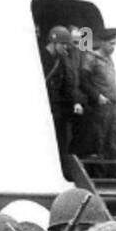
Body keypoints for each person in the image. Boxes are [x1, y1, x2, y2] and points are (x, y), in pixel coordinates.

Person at [80, 28, 116, 170]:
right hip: (101, 104)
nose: (113, 47)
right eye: (110, 44)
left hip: (114, 104)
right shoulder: (91, 57)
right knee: (99, 139)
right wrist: (97, 96)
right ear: (102, 42)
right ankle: (98, 171)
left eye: (114, 44)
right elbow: (83, 80)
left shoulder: (109, 60)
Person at [42, 25, 86, 175]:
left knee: (62, 139)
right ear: (54, 42)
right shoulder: (42, 59)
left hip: (56, 107)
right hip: (45, 106)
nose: (66, 47)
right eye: (64, 44)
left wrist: (75, 102)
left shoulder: (60, 60)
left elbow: (68, 84)